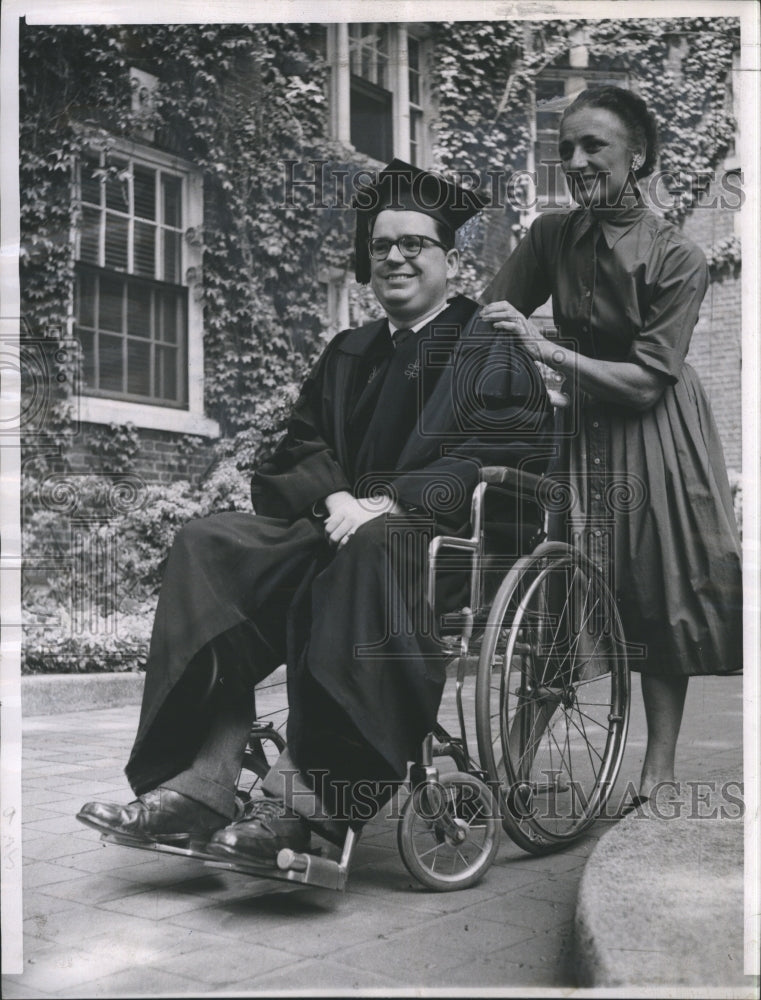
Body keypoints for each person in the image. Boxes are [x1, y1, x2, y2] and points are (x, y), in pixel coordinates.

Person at [77, 159, 553, 861]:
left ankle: (306, 805)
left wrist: (389, 503)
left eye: (413, 244)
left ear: (447, 259)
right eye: (381, 245)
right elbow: (299, 444)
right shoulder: (349, 350)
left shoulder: (488, 347)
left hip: (443, 554)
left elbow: (502, 453)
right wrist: (334, 497)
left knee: (375, 544)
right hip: (339, 534)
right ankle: (198, 785)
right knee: (209, 544)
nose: (394, 256)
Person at [479, 86, 742, 809]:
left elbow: (645, 381)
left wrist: (544, 350)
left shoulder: (678, 256)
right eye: (564, 148)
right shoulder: (550, 237)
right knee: (563, 589)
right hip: (581, 431)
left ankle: (656, 773)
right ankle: (511, 763)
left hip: (655, 431)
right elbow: (487, 326)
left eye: (593, 145)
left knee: (657, 591)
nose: (575, 160)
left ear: (639, 155)